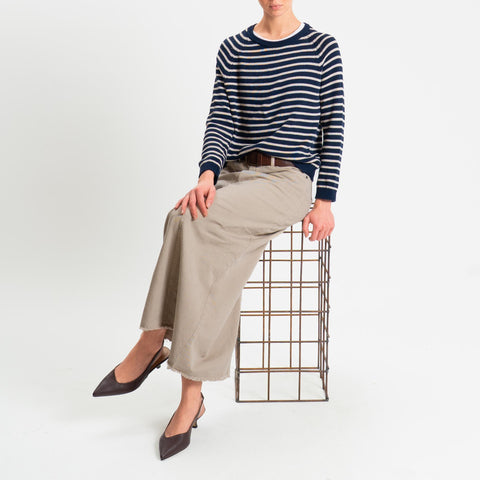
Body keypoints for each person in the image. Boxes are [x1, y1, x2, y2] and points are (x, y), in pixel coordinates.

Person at [92, 0, 345, 460]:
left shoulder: (322, 47)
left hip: (287, 180)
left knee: (198, 226)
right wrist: (207, 174)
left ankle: (157, 347)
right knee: (180, 218)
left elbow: (333, 124)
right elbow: (221, 118)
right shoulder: (234, 48)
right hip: (233, 175)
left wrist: (325, 200)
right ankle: (178, 376)